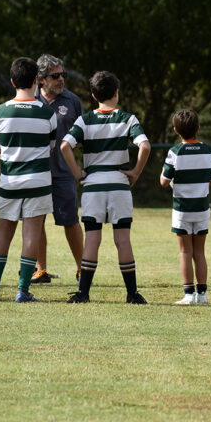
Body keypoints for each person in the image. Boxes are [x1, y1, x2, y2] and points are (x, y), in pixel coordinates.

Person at [61, 71, 151, 304]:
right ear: (117, 92)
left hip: (93, 187)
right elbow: (145, 146)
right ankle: (132, 294)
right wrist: (135, 172)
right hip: (119, 186)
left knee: (92, 240)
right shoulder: (128, 119)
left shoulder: (85, 120)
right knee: (123, 240)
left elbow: (64, 146)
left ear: (93, 95)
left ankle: (83, 293)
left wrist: (78, 173)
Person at [0, 57, 56, 303]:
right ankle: (22, 291)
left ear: (12, 81)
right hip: (38, 182)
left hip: (10, 182)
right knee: (31, 235)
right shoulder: (47, 112)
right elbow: (51, 147)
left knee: (3, 234)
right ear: (37, 80)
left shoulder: (0, 112)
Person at [32, 54, 84, 284]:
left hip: (63, 174)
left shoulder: (72, 101)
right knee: (36, 221)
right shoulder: (29, 99)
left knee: (71, 221)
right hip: (35, 172)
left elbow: (83, 135)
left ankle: (83, 270)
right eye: (55, 76)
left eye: (62, 74)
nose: (61, 79)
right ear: (41, 79)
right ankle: (40, 270)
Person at [160, 109, 211, 305]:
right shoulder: (209, 151)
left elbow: (164, 182)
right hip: (202, 209)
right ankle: (202, 295)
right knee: (200, 252)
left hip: (182, 210)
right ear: (198, 128)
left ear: (176, 130)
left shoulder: (175, 152)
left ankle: (188, 294)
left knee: (185, 251)